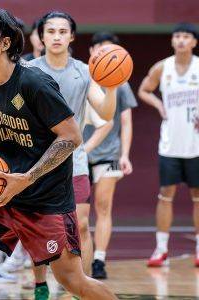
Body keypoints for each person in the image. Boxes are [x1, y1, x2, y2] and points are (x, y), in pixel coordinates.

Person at [0, 6, 117, 300]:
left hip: (46, 198)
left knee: (72, 280)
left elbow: (71, 137)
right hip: (1, 189)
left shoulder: (34, 82)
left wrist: (27, 178)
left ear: (5, 42)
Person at [28, 12, 117, 299]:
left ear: (71, 37)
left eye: (62, 31)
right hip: (36, 162)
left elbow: (105, 113)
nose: (56, 36)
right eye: (50, 31)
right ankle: (40, 285)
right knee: (39, 229)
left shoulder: (85, 71)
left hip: (73, 161)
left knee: (79, 224)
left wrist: (112, 86)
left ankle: (83, 285)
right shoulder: (27, 70)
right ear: (41, 36)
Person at [138, 23, 199, 267]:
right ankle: (160, 249)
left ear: (194, 42)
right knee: (165, 196)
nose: (181, 40)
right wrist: (159, 105)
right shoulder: (163, 67)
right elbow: (144, 90)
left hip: (196, 145)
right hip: (170, 144)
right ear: (173, 41)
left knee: (197, 198)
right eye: (177, 36)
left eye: (186, 36)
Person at [83, 31, 138, 279]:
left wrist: (125, 154)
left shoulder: (121, 82)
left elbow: (126, 122)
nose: (103, 53)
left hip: (110, 152)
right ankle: (76, 258)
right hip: (79, 152)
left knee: (103, 208)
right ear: (92, 51)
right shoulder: (81, 77)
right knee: (77, 214)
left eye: (109, 50)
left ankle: (99, 259)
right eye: (100, 49)